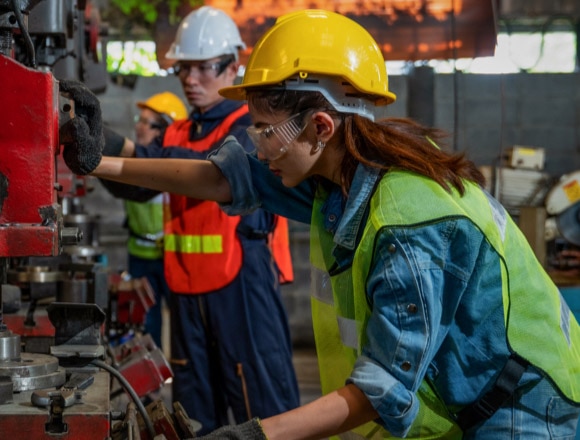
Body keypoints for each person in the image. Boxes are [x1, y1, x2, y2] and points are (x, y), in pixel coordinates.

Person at [58, 9, 580, 440]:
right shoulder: (341, 173)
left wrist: (251, 435)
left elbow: (381, 391)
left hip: (527, 413)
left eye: (262, 132)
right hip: (465, 401)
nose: (257, 149)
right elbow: (221, 179)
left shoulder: (406, 224)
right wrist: (98, 160)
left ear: (321, 125)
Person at [69, 6, 300, 435]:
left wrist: (110, 146)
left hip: (242, 288)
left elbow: (199, 169)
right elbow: (142, 180)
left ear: (234, 65)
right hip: (186, 292)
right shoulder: (177, 133)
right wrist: (87, 143)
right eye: (183, 70)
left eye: (203, 69)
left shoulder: (252, 127)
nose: (191, 80)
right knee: (194, 415)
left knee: (265, 415)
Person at [125, 92, 188, 349]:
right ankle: (152, 385)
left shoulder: (183, 165)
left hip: (175, 257)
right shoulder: (131, 162)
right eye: (139, 120)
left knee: (184, 324)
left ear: (166, 131)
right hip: (141, 258)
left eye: (146, 122)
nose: (138, 126)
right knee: (147, 324)